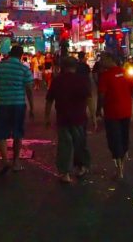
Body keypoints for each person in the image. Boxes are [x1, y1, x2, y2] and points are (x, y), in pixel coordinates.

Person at [97, 54, 133, 179]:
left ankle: (119, 167)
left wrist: (98, 109)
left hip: (112, 113)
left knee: (114, 140)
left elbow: (101, 96)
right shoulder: (125, 74)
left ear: (111, 60)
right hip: (126, 112)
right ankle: (121, 163)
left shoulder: (105, 76)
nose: (101, 62)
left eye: (104, 59)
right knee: (123, 137)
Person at [45, 56, 96, 184]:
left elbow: (49, 100)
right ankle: (81, 167)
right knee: (80, 143)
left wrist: (46, 117)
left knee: (65, 145)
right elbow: (89, 98)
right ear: (76, 66)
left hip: (63, 117)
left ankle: (65, 172)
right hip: (79, 117)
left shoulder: (57, 80)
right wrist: (93, 116)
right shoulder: (82, 80)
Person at [0, 45, 35, 174]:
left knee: (1, 133)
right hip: (19, 105)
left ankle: (4, 160)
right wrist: (32, 107)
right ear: (21, 55)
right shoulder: (24, 69)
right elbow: (29, 89)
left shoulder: (0, 67)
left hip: (3, 104)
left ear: (9, 53)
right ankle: (16, 162)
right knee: (18, 134)